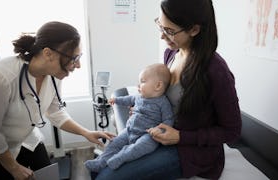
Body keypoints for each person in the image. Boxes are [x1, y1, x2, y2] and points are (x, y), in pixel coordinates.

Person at [94, 0, 242, 180]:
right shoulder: (171, 54)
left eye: (170, 31)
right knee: (102, 165)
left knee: (108, 177)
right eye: (161, 26)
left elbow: (232, 131)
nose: (162, 37)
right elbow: (166, 98)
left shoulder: (215, 71)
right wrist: (147, 107)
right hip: (159, 134)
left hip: (189, 150)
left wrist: (180, 137)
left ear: (194, 30)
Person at [0, 21, 115, 180]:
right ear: (48, 53)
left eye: (79, 57)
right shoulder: (1, 78)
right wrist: (13, 167)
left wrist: (85, 133)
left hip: (30, 140)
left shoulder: (54, 74)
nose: (79, 65)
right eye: (74, 58)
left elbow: (55, 112)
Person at [85, 63, 174, 175]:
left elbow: (168, 120)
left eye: (143, 81)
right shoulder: (138, 96)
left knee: (141, 147)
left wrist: (159, 130)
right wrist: (116, 100)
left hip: (147, 134)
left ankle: (120, 158)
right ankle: (100, 162)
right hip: (130, 130)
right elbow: (128, 99)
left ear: (158, 86)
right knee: (114, 143)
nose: (138, 85)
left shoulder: (163, 103)